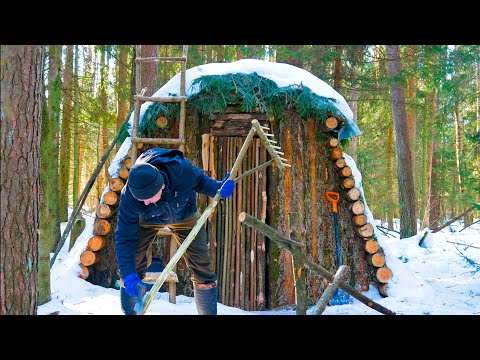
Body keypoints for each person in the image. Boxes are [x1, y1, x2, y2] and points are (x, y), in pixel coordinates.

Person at [114, 147, 235, 315]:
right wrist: (128, 275)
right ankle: (132, 310)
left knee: (201, 263)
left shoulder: (181, 171)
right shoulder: (131, 197)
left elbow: (200, 181)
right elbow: (124, 236)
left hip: (184, 212)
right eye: (142, 200)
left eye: (148, 198)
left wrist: (217, 188)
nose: (146, 202)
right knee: (132, 263)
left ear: (162, 186)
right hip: (147, 219)